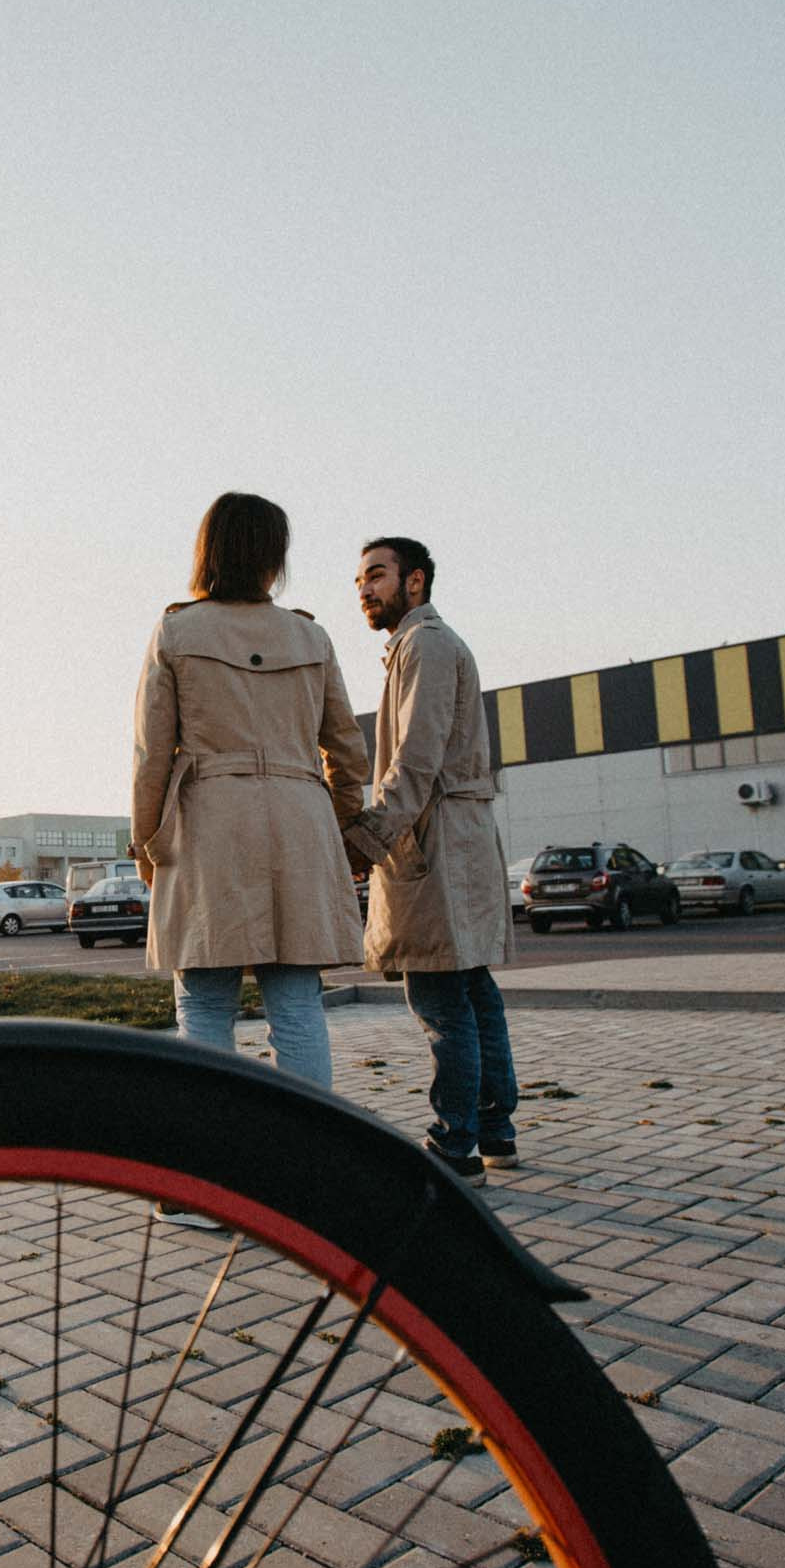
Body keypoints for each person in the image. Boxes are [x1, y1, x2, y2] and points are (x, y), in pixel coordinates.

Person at [132, 493, 371, 1223]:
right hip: (299, 817)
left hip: (209, 821)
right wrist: (332, 824)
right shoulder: (313, 637)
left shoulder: (176, 630)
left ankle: (204, 1184)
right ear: (275, 554)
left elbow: (151, 755)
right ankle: (311, 1175)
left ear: (207, 548)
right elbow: (349, 751)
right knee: (297, 1003)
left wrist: (149, 841)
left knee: (203, 1002)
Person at [343, 536, 519, 1186]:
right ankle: (495, 1131)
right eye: (359, 580)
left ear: (414, 581)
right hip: (453, 835)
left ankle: (455, 1144)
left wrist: (367, 839)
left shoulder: (426, 644)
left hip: (436, 838)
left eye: (376, 576)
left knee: (441, 994)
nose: (364, 589)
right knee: (472, 988)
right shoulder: (422, 646)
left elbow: (414, 759)